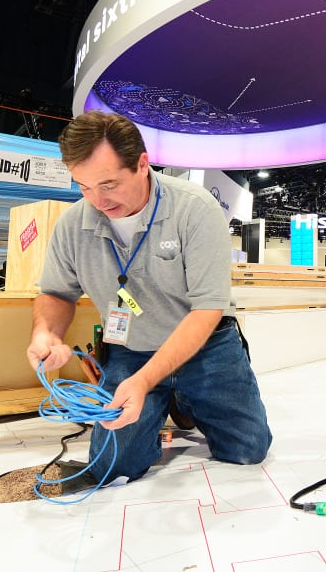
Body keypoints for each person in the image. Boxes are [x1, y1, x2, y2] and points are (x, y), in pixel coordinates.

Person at [26, 110, 272, 484]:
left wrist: (144, 383)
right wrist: (46, 333)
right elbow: (56, 294)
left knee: (248, 448)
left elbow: (207, 309)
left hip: (207, 345)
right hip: (131, 346)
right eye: (83, 186)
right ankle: (168, 399)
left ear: (142, 165)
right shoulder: (72, 224)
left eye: (108, 184)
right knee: (115, 465)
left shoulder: (195, 209)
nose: (97, 201)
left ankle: (181, 398)